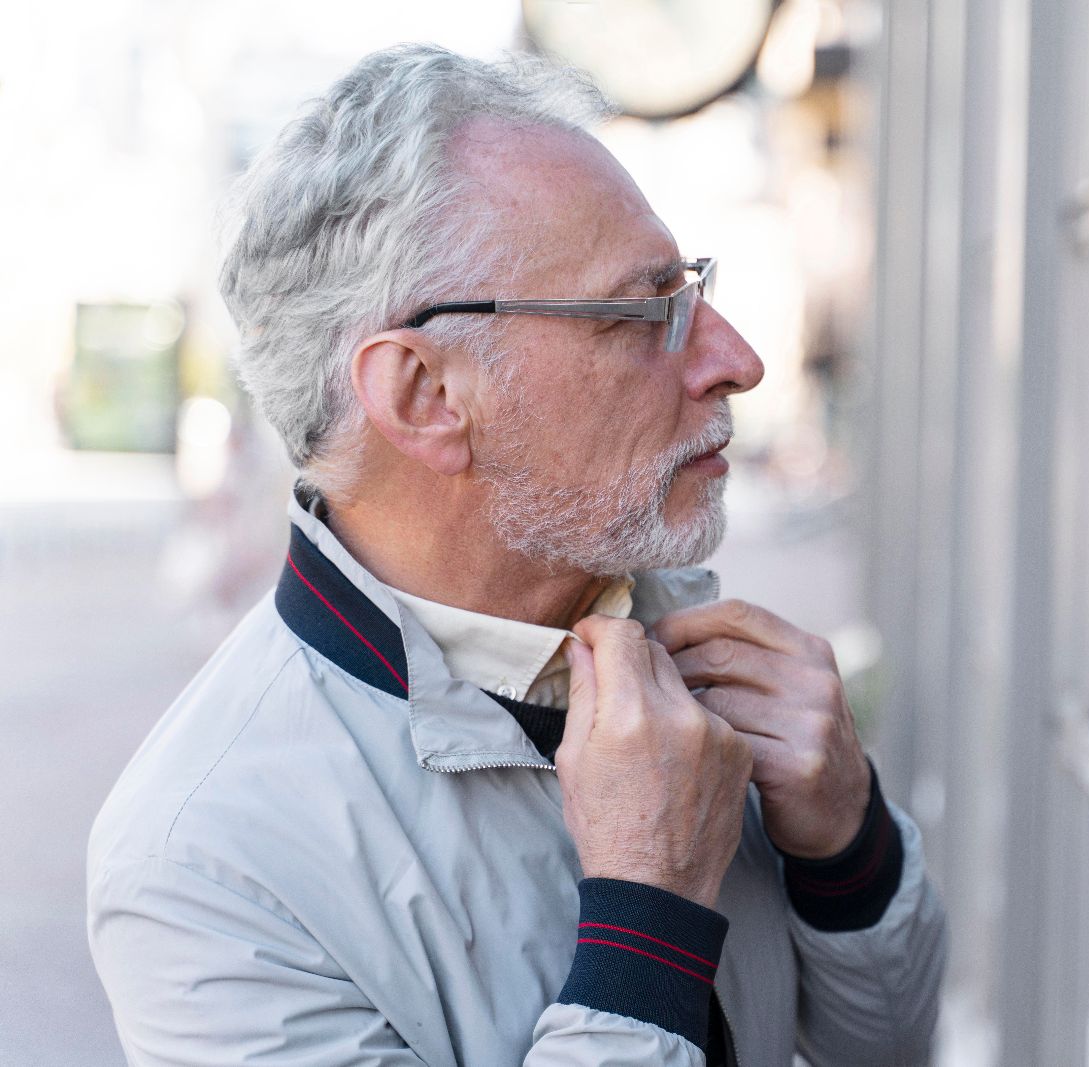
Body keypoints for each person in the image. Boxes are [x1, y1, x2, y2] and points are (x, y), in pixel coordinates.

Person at [86, 44, 946, 1067]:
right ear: (425, 394)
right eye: (646, 311)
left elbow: (890, 1041)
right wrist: (647, 917)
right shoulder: (207, 857)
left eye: (694, 288)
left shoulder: (682, 645)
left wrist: (847, 845)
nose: (737, 360)